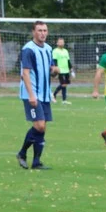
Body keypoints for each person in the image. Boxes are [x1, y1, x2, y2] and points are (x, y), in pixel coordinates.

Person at [16, 20, 58, 170]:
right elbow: (25, 74)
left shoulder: (48, 49)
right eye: (39, 30)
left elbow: (50, 70)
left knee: (43, 128)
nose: (42, 33)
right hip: (32, 94)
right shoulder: (28, 49)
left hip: (45, 94)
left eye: (45, 30)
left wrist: (55, 71)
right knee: (39, 125)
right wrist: (31, 95)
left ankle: (36, 162)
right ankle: (21, 153)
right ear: (33, 32)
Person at [52, 37, 73, 104]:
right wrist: (55, 69)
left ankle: (64, 100)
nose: (61, 43)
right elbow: (54, 60)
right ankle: (53, 94)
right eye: (60, 42)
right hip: (60, 70)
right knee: (63, 84)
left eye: (62, 42)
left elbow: (68, 60)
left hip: (66, 70)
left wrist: (71, 68)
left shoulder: (65, 51)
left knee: (65, 85)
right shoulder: (55, 51)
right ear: (57, 43)